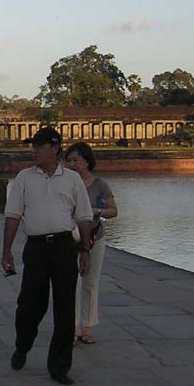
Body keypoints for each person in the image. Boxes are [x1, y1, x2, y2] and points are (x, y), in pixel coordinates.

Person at [1, 127, 94, 385]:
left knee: (65, 307)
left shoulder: (72, 179)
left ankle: (59, 366)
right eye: (34, 146)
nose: (35, 151)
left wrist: (85, 249)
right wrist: (6, 250)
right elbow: (13, 215)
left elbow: (84, 217)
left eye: (40, 147)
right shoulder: (24, 178)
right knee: (30, 304)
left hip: (64, 246)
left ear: (55, 148)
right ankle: (23, 345)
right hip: (37, 247)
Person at [64, 142, 118, 345]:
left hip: (95, 237)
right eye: (68, 160)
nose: (71, 164)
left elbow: (113, 210)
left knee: (90, 282)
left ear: (86, 161)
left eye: (75, 160)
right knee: (72, 283)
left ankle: (85, 327)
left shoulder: (100, 185)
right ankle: (72, 327)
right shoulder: (66, 183)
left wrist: (97, 211)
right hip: (71, 237)